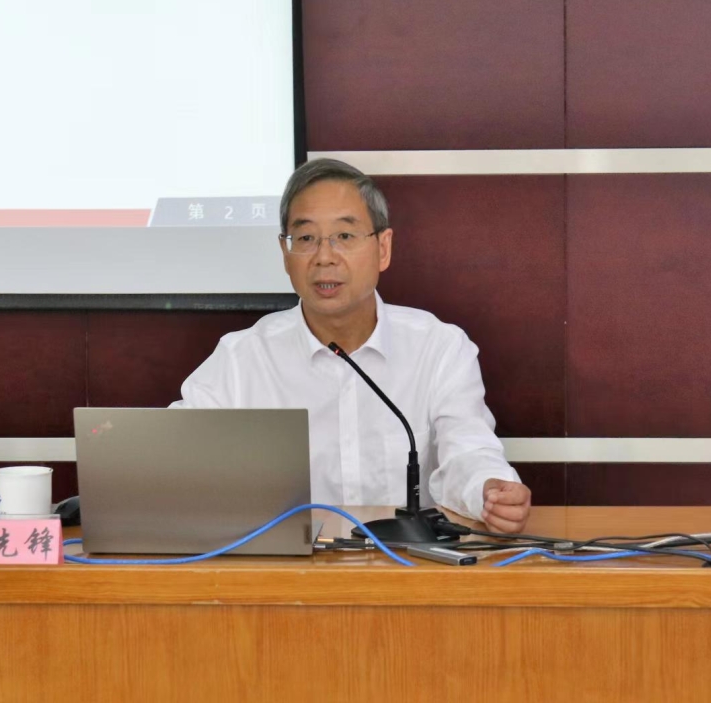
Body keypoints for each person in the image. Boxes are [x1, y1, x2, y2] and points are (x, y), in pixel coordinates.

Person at [173, 158, 531, 533]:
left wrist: (488, 491)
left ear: (383, 248)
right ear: (285, 253)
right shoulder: (243, 358)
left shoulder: (438, 348)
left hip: (409, 561)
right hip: (287, 563)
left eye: (344, 236)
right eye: (306, 238)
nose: (324, 257)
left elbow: (468, 451)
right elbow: (177, 452)